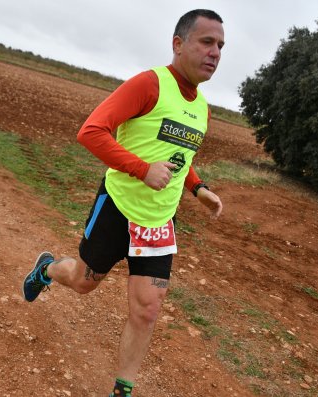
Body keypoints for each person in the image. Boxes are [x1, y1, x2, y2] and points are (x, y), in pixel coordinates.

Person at [22, 9, 225, 397]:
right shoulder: (149, 84)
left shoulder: (202, 108)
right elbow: (91, 131)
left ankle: (122, 390)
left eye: (220, 46)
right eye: (206, 42)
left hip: (159, 222)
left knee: (147, 309)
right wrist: (141, 169)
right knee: (83, 283)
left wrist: (199, 188)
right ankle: (47, 270)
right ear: (178, 44)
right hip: (117, 207)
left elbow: (180, 155)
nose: (215, 52)